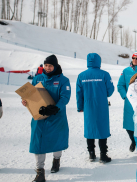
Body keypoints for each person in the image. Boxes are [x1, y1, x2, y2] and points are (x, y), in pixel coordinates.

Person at [21, 54, 71, 182]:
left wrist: (55, 108)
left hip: (56, 117)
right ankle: (40, 172)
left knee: (57, 140)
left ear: (55, 66)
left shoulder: (63, 80)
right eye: (46, 65)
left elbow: (65, 97)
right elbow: (30, 95)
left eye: (50, 66)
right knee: (38, 143)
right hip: (39, 117)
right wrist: (26, 101)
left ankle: (56, 160)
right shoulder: (37, 78)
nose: (47, 68)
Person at [76, 53, 114, 163]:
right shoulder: (105, 74)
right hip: (101, 105)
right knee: (102, 128)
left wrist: (80, 106)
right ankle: (103, 155)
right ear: (99, 62)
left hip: (88, 106)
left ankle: (91, 154)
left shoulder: (81, 76)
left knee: (90, 128)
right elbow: (110, 90)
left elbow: (79, 93)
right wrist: (103, 93)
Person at [117, 52, 137, 152]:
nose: (135, 60)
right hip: (129, 104)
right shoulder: (126, 71)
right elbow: (120, 85)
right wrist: (125, 96)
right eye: (133, 58)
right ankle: (133, 141)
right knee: (129, 126)